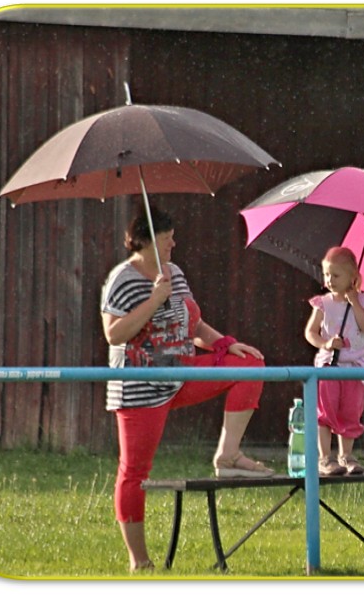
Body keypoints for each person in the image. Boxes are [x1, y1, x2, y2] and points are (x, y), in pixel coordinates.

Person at [101, 207, 272, 571]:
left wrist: (224, 344)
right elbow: (114, 334)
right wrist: (154, 299)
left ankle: (227, 456)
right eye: (167, 239)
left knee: (250, 365)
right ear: (145, 242)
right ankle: (139, 560)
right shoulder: (122, 279)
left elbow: (193, 325)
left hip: (182, 372)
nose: (174, 244)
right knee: (135, 470)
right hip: (142, 386)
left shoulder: (174, 272)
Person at [304, 246, 364, 476]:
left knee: (351, 411)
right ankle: (324, 458)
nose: (329, 280)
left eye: (336, 275)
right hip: (330, 366)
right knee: (326, 411)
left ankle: (346, 455)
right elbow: (310, 332)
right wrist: (326, 343)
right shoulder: (323, 303)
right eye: (327, 274)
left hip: (355, 368)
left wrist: (354, 302)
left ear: (352, 277)